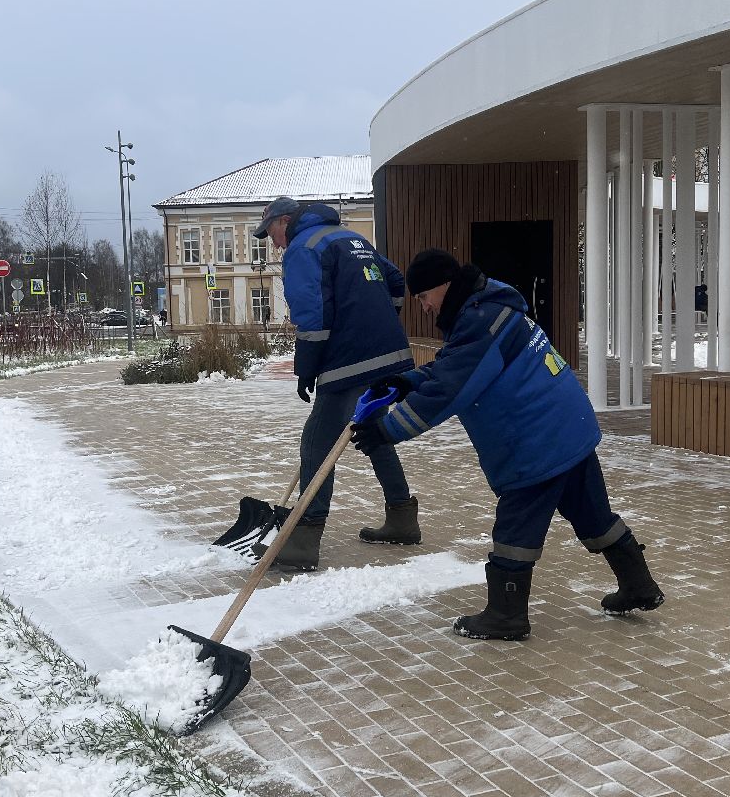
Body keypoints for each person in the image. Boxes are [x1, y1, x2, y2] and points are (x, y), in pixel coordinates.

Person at [351, 248, 664, 640]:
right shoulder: (485, 308)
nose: (424, 307)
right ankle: (639, 585)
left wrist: (387, 430)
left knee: (516, 529)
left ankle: (506, 615)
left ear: (444, 286)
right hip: (568, 426)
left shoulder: (479, 320)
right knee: (593, 514)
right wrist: (408, 382)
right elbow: (455, 365)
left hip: (536, 440)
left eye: (423, 297)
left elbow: (452, 387)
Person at [255, 196, 419, 570]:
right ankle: (402, 517)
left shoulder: (302, 248)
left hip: (349, 360)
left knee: (317, 441)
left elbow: (310, 314)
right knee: (372, 430)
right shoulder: (349, 238)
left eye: (272, 234)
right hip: (389, 354)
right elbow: (395, 279)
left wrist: (306, 368)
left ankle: (303, 539)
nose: (274, 244)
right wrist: (381, 318)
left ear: (285, 221)